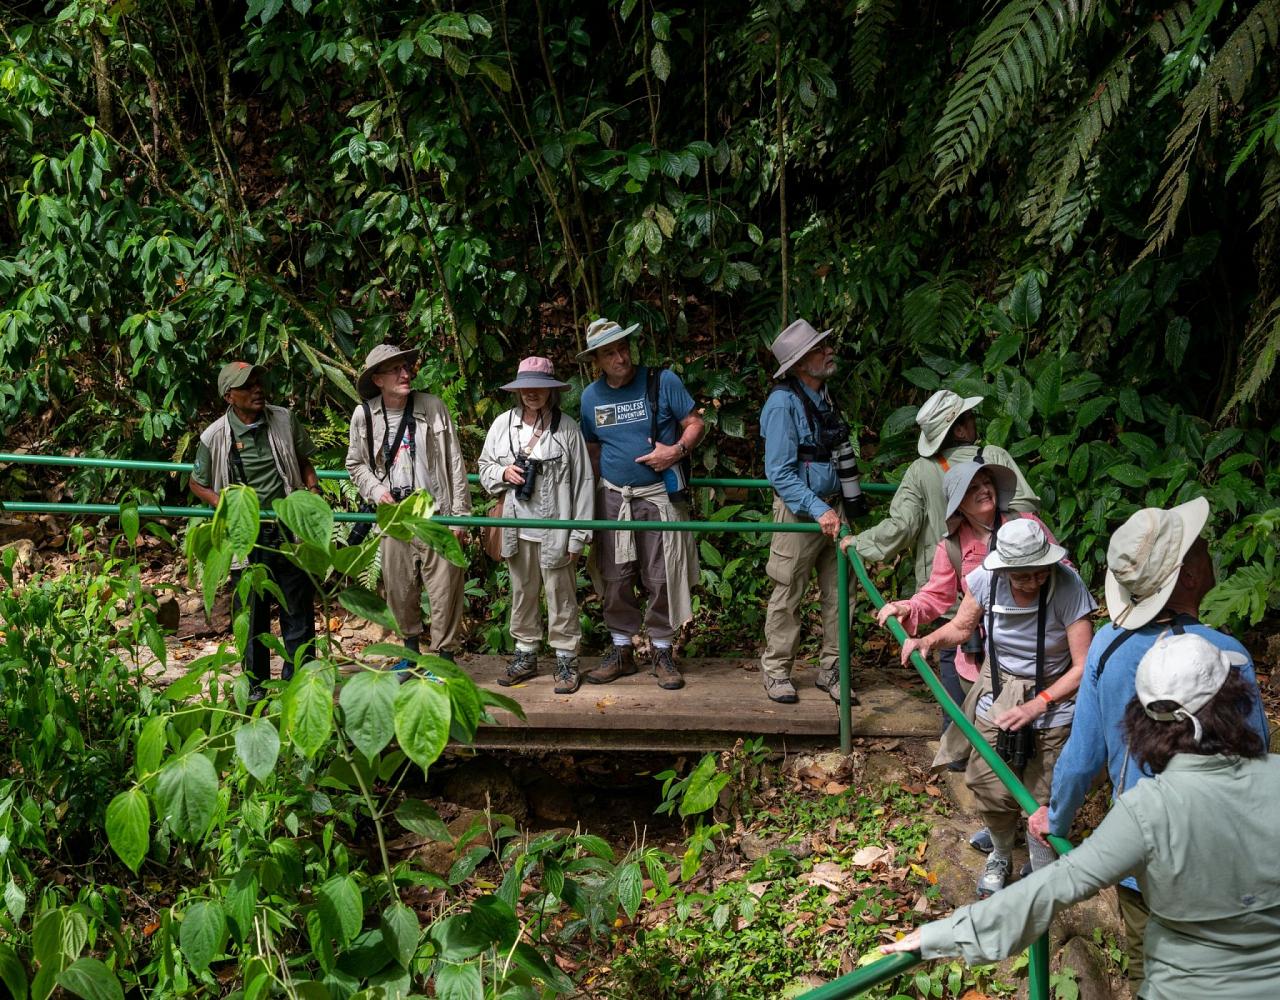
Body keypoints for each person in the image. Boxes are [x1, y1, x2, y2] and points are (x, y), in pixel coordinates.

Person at [882, 632, 1279, 999]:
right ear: (1234, 701)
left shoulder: (1147, 810)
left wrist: (940, 935)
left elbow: (1053, 887)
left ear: (1143, 720)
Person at [1026, 497, 1269, 994]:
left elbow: (1082, 758)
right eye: (1199, 548)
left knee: (1153, 971)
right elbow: (1256, 756)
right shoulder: (1230, 656)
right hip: (1228, 857)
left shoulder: (1109, 647)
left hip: (1149, 864)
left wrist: (1058, 818)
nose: (1208, 551)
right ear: (1190, 576)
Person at [901, 519, 1096, 897]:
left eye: (1038, 573)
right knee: (987, 781)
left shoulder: (1068, 587)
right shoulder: (986, 581)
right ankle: (1001, 852)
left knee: (1043, 793)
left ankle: (1041, 875)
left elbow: (1083, 665)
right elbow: (961, 627)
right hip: (999, 693)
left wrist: (1040, 704)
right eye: (1020, 576)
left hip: (1053, 700)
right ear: (1002, 567)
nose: (1030, 582)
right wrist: (928, 641)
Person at [846, 390, 1037, 719]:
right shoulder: (993, 456)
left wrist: (858, 543)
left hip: (949, 599)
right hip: (1010, 599)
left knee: (955, 689)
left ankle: (959, 754)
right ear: (960, 430)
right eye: (970, 418)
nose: (975, 423)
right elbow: (1026, 507)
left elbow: (901, 526)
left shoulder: (921, 471)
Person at [576, 317, 704, 691]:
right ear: (596, 360)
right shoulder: (590, 397)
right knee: (615, 575)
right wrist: (597, 492)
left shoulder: (661, 381)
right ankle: (621, 648)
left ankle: (662, 649)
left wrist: (676, 451)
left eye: (622, 348)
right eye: (609, 352)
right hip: (613, 495)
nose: (620, 357)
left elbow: (694, 423)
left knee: (661, 573)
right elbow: (593, 448)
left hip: (657, 496)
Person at [189, 361, 322, 698]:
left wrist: (311, 490)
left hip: (287, 529)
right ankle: (256, 692)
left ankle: (301, 687)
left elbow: (305, 461)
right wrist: (226, 505)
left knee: (298, 611)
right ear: (229, 395)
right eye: (247, 386)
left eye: (258, 382)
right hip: (245, 536)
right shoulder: (215, 436)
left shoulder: (283, 420)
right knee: (252, 615)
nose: (257, 390)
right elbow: (196, 483)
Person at [758, 318, 868, 704]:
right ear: (801, 362)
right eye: (819, 349)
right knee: (788, 592)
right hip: (800, 515)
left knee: (841, 593)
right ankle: (775, 671)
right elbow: (780, 473)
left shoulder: (824, 398)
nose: (828, 351)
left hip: (833, 510)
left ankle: (833, 670)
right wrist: (818, 509)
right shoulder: (782, 404)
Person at [346, 344, 470, 661]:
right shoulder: (364, 415)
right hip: (394, 516)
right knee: (400, 591)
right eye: (395, 370)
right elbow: (355, 464)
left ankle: (444, 659)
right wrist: (376, 491)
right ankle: (410, 655)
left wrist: (460, 516)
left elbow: (455, 462)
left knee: (445, 591)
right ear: (377, 379)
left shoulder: (433, 407)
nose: (405, 374)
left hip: (435, 513)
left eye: (406, 367)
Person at [478, 357, 595, 694]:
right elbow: (485, 466)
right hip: (517, 527)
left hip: (557, 527)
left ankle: (566, 659)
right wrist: (503, 473)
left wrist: (579, 536)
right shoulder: (503, 425)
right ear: (518, 391)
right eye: (525, 387)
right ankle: (526, 655)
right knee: (522, 593)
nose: (532, 393)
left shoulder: (567, 429)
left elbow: (584, 483)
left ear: (550, 390)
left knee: (562, 595)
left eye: (539, 387)